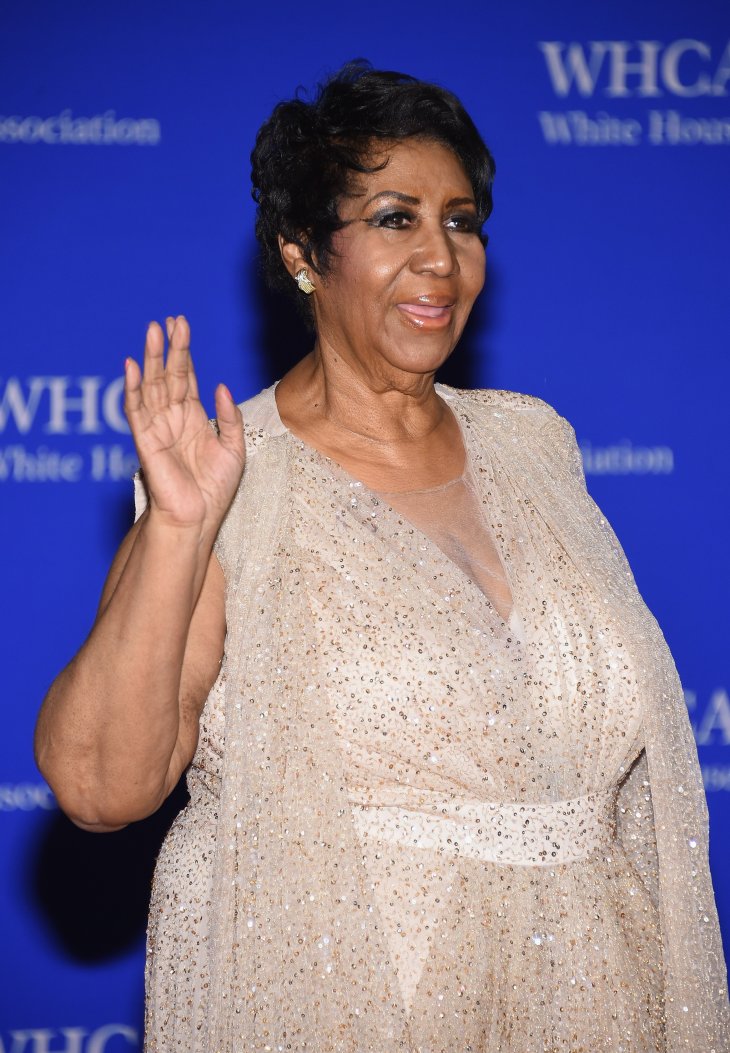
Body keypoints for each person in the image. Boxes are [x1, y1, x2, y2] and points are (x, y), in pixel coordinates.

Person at [35, 61, 729, 1053]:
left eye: (461, 220)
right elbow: (102, 786)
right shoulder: (232, 477)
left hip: (591, 994)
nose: (441, 258)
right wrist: (181, 527)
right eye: (395, 218)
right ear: (302, 254)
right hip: (349, 1001)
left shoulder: (535, 442)